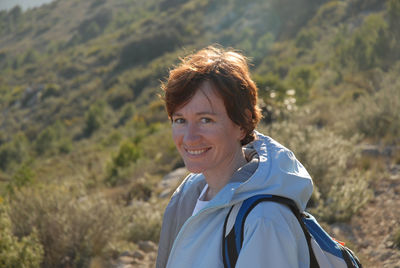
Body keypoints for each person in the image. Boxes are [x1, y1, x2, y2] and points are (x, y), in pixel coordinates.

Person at [156, 45, 313, 268]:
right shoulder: (188, 198)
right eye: (180, 120)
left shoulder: (264, 219)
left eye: (206, 120)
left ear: (242, 124)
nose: (189, 138)